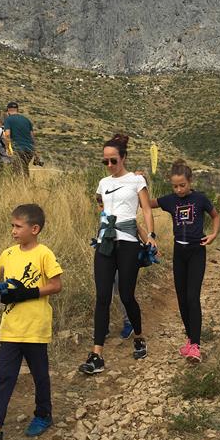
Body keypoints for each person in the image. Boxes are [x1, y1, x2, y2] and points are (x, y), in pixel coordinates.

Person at [0, 204, 63, 440]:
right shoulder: (7, 254)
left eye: (18, 226)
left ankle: (43, 414)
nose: (13, 230)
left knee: (40, 375)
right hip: (10, 327)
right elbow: (1, 286)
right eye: (12, 225)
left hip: (35, 327)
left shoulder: (44, 254)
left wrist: (28, 293)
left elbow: (56, 285)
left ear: (34, 229)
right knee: (4, 377)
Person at [80, 134, 156, 375]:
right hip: (105, 241)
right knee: (102, 296)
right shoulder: (103, 183)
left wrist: (150, 235)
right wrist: (104, 217)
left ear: (123, 158)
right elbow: (100, 202)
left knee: (126, 294)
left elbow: (145, 208)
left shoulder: (136, 181)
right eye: (106, 162)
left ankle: (140, 337)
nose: (110, 166)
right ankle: (97, 354)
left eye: (113, 161)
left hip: (128, 242)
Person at [150, 159, 220, 363]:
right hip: (179, 251)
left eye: (182, 185)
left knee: (192, 297)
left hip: (197, 251)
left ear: (190, 181)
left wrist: (214, 234)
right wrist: (138, 184)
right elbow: (146, 202)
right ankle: (189, 340)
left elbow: (215, 216)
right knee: (181, 298)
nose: (179, 189)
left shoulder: (200, 199)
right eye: (175, 186)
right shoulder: (170, 200)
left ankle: (196, 346)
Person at [3, 101, 35, 178]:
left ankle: (20, 188)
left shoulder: (8, 120)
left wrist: (7, 149)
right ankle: (27, 186)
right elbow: (32, 136)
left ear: (8, 110)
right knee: (24, 169)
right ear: (17, 109)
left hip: (18, 149)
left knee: (17, 172)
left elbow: (7, 135)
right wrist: (35, 151)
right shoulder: (26, 120)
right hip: (29, 150)